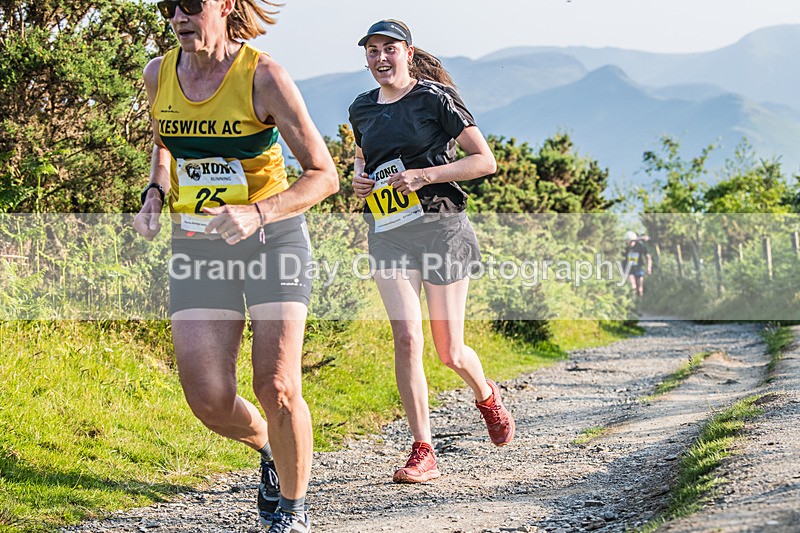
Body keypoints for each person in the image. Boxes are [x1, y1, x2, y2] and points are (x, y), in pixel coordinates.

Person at [132, 1, 338, 531]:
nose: (179, 15)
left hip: (272, 237)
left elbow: (323, 175)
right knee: (209, 398)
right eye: (168, 6)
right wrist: (156, 190)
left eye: (192, 5)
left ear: (224, 5)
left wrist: (258, 211)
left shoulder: (263, 75)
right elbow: (164, 143)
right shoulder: (159, 74)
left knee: (278, 386)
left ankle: (292, 510)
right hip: (199, 243)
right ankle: (272, 446)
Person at [348, 19, 515, 484]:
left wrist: (425, 175)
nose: (381, 58)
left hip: (442, 228)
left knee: (449, 351)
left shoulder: (435, 98)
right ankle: (424, 450)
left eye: (390, 50)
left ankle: (486, 395)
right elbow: (364, 157)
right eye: (373, 51)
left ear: (408, 52)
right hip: (389, 230)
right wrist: (359, 178)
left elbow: (485, 161)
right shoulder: (361, 107)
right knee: (407, 338)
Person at [624, 231, 652, 299]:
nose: (628, 243)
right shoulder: (626, 248)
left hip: (639, 268)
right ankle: (633, 302)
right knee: (632, 286)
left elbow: (648, 257)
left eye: (629, 241)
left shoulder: (640, 246)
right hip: (630, 269)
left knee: (639, 288)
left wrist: (649, 267)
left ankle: (640, 302)